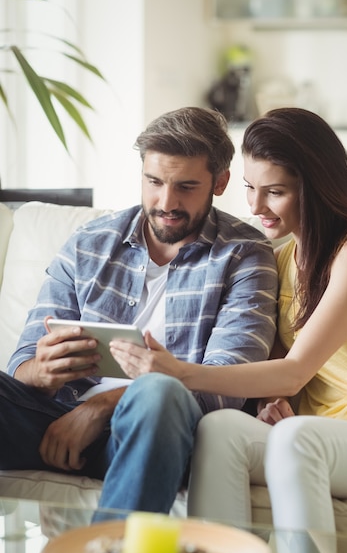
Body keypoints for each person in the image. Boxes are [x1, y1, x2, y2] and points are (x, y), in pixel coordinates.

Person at [109, 107, 347, 553]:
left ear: (315, 185)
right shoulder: (277, 258)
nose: (256, 206)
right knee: (223, 428)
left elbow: (297, 366)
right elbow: (285, 380)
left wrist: (178, 371)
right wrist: (281, 404)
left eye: (275, 191)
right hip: (324, 435)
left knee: (301, 439)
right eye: (251, 188)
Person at [0, 106, 278, 516]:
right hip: (53, 419)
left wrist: (100, 408)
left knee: (158, 389)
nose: (166, 202)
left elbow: (226, 383)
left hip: (158, 429)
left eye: (186, 186)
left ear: (219, 183)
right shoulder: (88, 243)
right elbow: (21, 364)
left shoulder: (244, 255)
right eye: (154, 182)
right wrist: (40, 372)